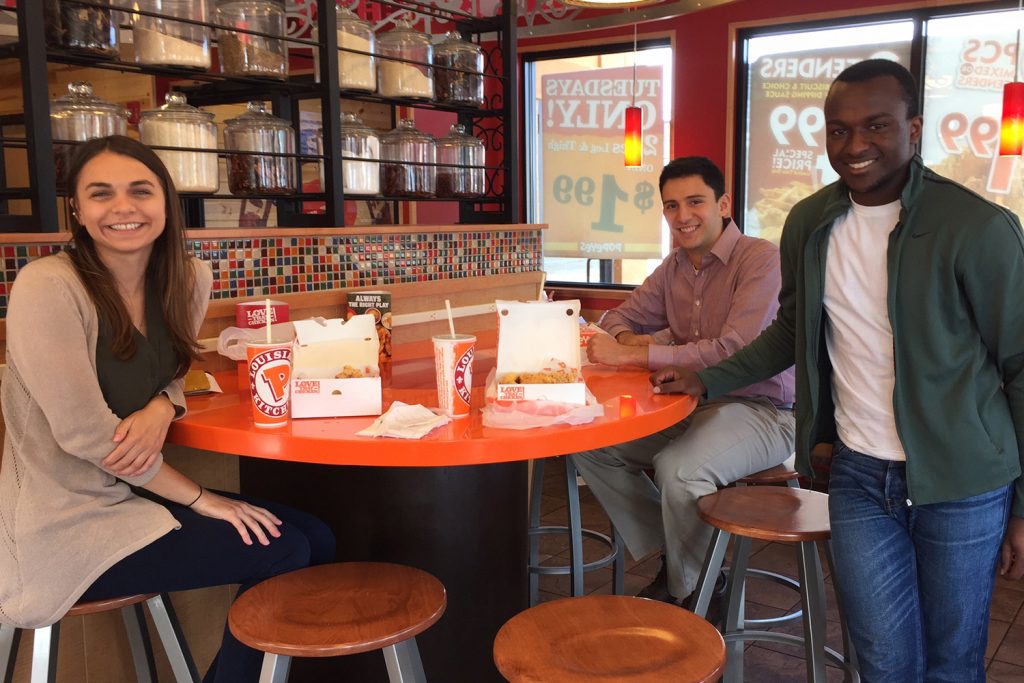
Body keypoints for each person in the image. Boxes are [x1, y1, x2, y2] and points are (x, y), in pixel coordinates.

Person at [652, 59, 1024, 682]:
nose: (854, 146)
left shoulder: (977, 228)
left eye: (875, 126)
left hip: (963, 483)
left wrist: (1021, 505)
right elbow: (793, 333)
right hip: (857, 475)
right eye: (837, 130)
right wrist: (708, 378)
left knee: (951, 662)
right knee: (878, 658)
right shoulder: (810, 223)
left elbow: (1018, 365)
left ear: (914, 127)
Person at [0, 136, 335, 682]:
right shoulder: (48, 286)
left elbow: (175, 369)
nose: (123, 207)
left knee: (316, 538)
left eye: (140, 190)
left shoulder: (187, 278)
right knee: (285, 550)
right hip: (63, 522)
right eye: (101, 193)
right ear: (77, 210)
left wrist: (162, 405)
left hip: (134, 497)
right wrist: (204, 500)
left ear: (165, 204)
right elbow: (87, 436)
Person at [571, 156, 796, 605]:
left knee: (678, 469)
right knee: (591, 443)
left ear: (724, 204)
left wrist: (634, 354)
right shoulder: (674, 266)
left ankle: (695, 593)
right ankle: (678, 557)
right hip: (691, 407)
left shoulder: (761, 259)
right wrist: (629, 341)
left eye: (695, 201)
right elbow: (619, 316)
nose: (683, 216)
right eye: (671, 206)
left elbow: (737, 350)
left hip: (764, 410)